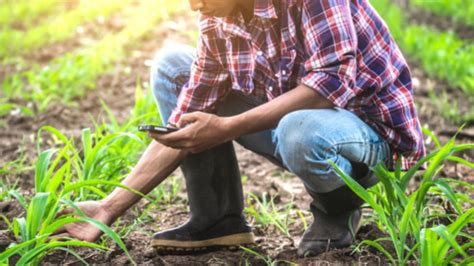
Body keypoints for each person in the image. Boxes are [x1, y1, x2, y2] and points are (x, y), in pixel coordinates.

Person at [57, 0, 425, 257]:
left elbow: (328, 84)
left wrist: (227, 127)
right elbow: (186, 118)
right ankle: (217, 218)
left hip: (370, 136)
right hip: (298, 127)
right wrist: (108, 209)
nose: (193, 4)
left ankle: (337, 207)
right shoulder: (219, 17)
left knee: (300, 130)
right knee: (173, 68)